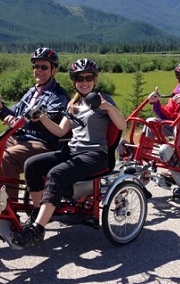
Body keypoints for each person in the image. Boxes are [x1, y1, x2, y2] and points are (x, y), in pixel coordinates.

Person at [15, 58, 127, 247]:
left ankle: (37, 230)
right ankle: (38, 213)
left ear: (94, 79)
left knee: (56, 174)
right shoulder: (73, 104)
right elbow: (60, 131)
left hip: (95, 155)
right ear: (74, 81)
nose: (84, 82)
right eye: (80, 79)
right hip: (73, 151)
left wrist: (108, 108)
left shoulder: (103, 99)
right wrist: (42, 118)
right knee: (32, 165)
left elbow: (122, 125)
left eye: (88, 78)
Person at [0, 47, 70, 182]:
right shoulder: (32, 92)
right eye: (36, 66)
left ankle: (8, 201)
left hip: (41, 144)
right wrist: (0, 107)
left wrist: (20, 122)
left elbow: (48, 121)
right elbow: (13, 113)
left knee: (7, 158)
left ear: (53, 70)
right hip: (18, 139)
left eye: (44, 67)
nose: (39, 70)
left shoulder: (58, 96)